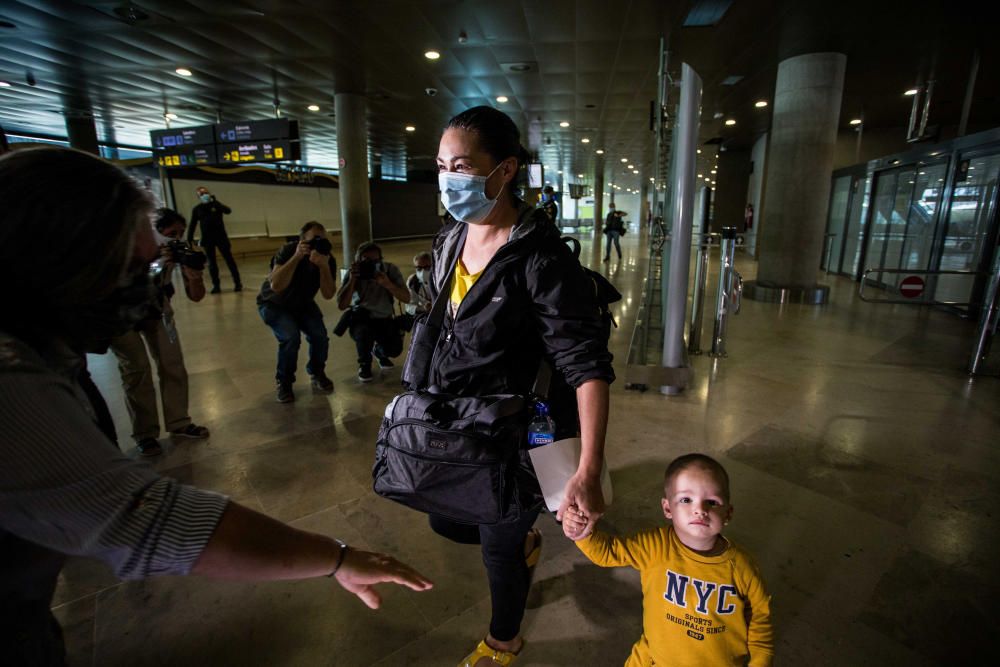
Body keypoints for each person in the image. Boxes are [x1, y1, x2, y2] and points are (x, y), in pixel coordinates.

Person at [0, 147, 433, 664]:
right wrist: (335, 558)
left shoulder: (38, 345)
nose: (142, 288)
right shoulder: (10, 380)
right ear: (56, 259)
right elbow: (141, 518)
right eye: (129, 269)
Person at [429, 106, 614, 666]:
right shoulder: (450, 239)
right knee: (444, 517)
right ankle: (526, 539)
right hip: (464, 425)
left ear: (505, 169)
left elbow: (586, 366)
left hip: (520, 431)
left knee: (496, 545)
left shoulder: (542, 259)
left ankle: (503, 640)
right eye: (441, 165)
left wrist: (588, 468)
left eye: (461, 165)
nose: (448, 178)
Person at [564, 453, 773, 667]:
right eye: (685, 499)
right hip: (652, 660)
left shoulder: (743, 569)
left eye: (712, 502)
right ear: (667, 508)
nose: (700, 510)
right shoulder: (655, 546)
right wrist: (581, 532)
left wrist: (760, 661)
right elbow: (607, 552)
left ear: (728, 513)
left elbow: (759, 624)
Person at [109, 208, 211, 457]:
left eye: (179, 233)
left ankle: (179, 422)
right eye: (170, 232)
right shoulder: (126, 244)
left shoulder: (176, 251)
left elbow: (196, 296)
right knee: (137, 370)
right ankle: (145, 434)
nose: (174, 238)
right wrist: (152, 263)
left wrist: (193, 275)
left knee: (172, 363)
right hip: (121, 314)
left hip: (157, 310)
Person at [257, 221, 337, 403]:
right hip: (274, 303)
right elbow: (276, 285)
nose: (318, 243)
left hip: (303, 302)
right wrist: (297, 257)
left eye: (322, 239)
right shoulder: (288, 250)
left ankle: (317, 372)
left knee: (320, 336)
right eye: (313, 240)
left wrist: (323, 266)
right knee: (290, 337)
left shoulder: (327, 257)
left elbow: (328, 294)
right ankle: (284, 382)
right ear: (302, 241)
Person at [336, 242, 410, 382]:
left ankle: (380, 352)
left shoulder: (389, 270)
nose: (369, 265)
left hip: (384, 317)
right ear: (358, 261)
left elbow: (406, 298)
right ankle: (364, 363)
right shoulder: (354, 273)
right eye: (365, 261)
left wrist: (387, 284)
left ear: (381, 260)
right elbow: (342, 305)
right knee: (364, 334)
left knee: (394, 350)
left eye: (374, 261)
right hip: (362, 318)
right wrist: (352, 280)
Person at [188, 185, 242, 294]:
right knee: (212, 264)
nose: (204, 195)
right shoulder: (197, 209)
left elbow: (228, 211)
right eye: (201, 194)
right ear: (198, 197)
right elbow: (192, 224)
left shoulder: (216, 205)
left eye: (205, 193)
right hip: (207, 240)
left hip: (221, 237)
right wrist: (189, 238)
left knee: (229, 260)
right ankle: (216, 285)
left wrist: (216, 203)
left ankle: (237, 283)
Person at [405, 251, 433, 317]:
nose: (423, 272)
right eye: (419, 268)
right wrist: (423, 309)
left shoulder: (441, 280)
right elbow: (409, 307)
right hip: (423, 314)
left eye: (426, 268)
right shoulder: (412, 282)